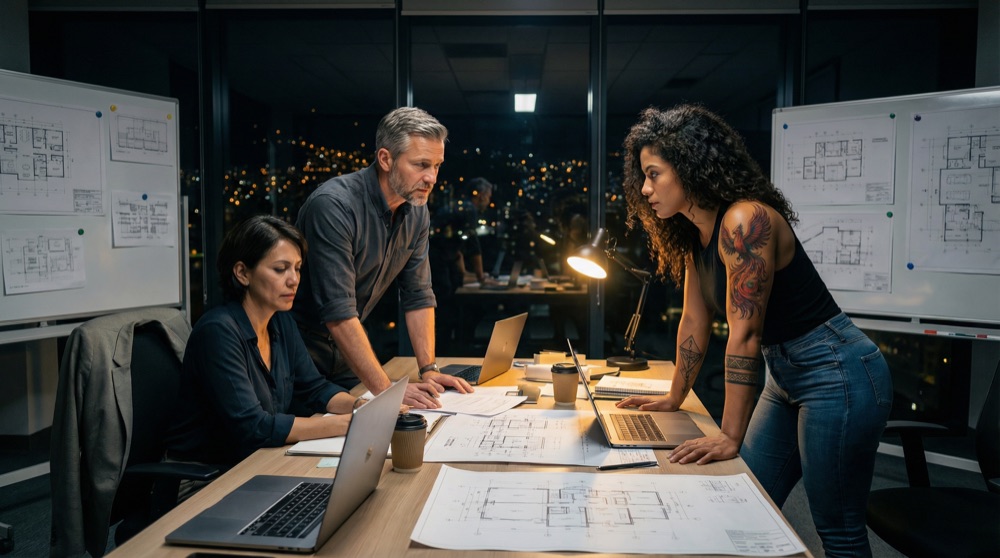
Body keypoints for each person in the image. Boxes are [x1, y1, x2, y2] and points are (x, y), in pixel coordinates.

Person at [616, 105, 892, 557]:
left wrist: (729, 434)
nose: (645, 189)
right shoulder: (695, 234)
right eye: (642, 177)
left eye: (653, 174)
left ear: (689, 165)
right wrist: (673, 396)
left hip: (837, 373)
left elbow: (744, 334)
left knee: (837, 529)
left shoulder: (744, 221)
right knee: (742, 501)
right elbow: (693, 322)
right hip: (784, 376)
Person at [292, 107, 473, 409]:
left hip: (349, 352)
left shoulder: (417, 211)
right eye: (421, 165)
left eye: (438, 166)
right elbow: (338, 311)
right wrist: (387, 390)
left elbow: (418, 296)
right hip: (299, 355)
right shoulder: (334, 206)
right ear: (386, 159)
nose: (431, 178)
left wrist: (429, 370)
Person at [166, 215, 364, 468]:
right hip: (203, 479)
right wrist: (344, 424)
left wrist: (361, 407)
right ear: (242, 273)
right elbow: (253, 426)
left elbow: (314, 388)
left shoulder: (281, 322)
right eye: (280, 269)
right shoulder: (218, 331)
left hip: (256, 461)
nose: (293, 279)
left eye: (297, 267)